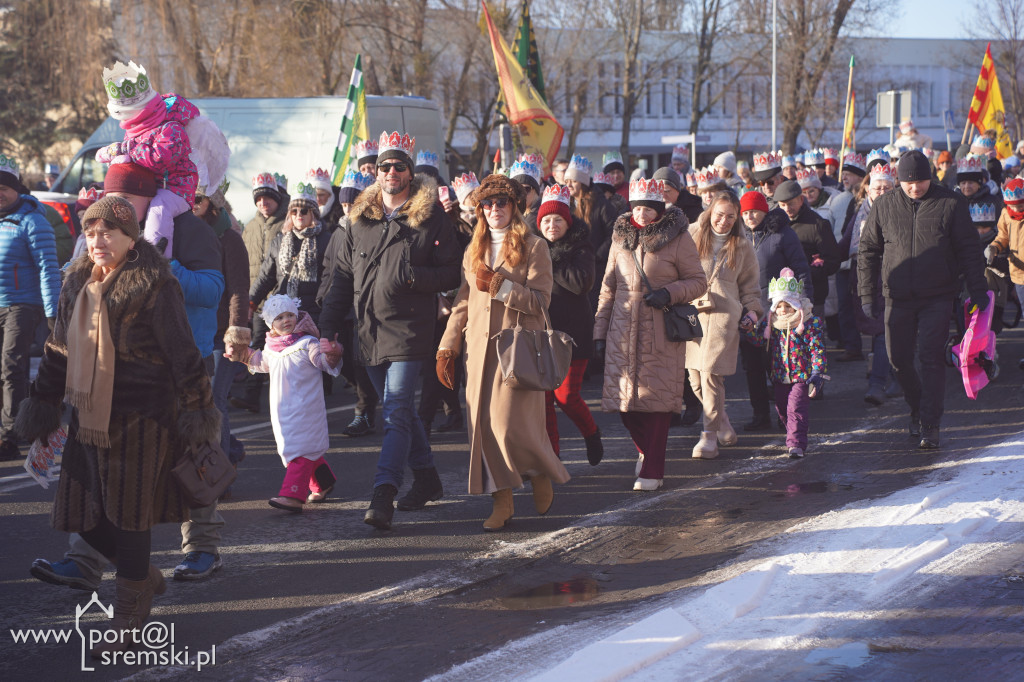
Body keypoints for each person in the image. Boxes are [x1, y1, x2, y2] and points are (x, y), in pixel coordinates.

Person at [16, 195, 219, 655]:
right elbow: (57, 352)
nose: (98, 240)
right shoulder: (74, 284)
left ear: (131, 238)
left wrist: (197, 413)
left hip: (142, 417)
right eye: (90, 232)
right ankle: (143, 574)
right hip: (87, 415)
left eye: (109, 231)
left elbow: (184, 355)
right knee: (80, 513)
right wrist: (44, 406)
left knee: (130, 516)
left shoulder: (155, 284)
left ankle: (130, 605)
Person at [319, 131, 462, 531]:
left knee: (397, 408)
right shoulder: (357, 221)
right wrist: (327, 328)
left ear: (410, 172)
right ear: (375, 172)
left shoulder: (431, 217)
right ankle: (429, 477)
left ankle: (384, 492)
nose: (392, 172)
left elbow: (452, 271)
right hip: (368, 329)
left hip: (409, 329)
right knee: (397, 408)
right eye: (385, 166)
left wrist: (413, 276)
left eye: (400, 166)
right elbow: (342, 281)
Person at [437, 174, 571, 530]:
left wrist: (500, 286)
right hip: (478, 351)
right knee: (483, 428)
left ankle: (539, 471)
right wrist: (447, 346)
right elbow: (463, 303)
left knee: (510, 425)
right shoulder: (473, 249)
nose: (495, 209)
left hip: (516, 350)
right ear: (480, 209)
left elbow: (541, 303)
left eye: (502, 202)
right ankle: (503, 500)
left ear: (515, 207)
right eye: (488, 203)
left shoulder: (535, 247)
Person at [858, 150, 988, 449]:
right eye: (908, 182)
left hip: (938, 296)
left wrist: (977, 290)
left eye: (921, 181)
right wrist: (867, 293)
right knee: (898, 360)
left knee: (931, 358)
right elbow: (868, 252)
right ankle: (917, 407)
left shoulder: (950, 203)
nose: (915, 187)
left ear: (931, 177)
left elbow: (968, 249)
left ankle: (930, 423)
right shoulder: (885, 205)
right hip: (898, 296)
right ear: (899, 181)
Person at [594, 178, 707, 491]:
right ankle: (645, 450)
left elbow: (698, 281)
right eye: (637, 208)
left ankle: (653, 470)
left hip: (659, 331)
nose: (641, 214)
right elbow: (608, 287)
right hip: (621, 330)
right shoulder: (620, 239)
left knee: (656, 404)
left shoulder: (679, 238)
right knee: (625, 406)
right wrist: (600, 333)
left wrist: (669, 293)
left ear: (659, 210)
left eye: (648, 208)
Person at [225, 294, 341, 510]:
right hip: (282, 410)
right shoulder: (271, 349)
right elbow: (259, 361)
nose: (286, 320)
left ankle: (292, 495)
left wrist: (332, 354)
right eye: (279, 318)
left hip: (307, 410)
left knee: (299, 450)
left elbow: (323, 362)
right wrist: (240, 354)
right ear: (271, 324)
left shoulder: (308, 343)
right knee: (298, 448)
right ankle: (323, 483)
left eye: (290, 315)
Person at [685, 191, 762, 459]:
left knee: (710, 374)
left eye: (730, 216)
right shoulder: (690, 235)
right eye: (719, 215)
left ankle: (708, 438)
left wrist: (753, 312)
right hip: (692, 314)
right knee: (694, 377)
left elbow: (751, 287)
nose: (724, 221)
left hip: (724, 317)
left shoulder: (743, 246)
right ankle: (722, 422)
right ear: (710, 212)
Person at [533, 184, 603, 465]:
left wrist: (549, 259)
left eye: (558, 220)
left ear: (568, 222)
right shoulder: (531, 246)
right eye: (546, 221)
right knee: (545, 400)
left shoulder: (580, 246)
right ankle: (553, 458)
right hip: (541, 333)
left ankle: (591, 432)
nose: (552, 226)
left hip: (574, 333)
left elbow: (580, 283)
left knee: (567, 396)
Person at [0, 155, 62, 461]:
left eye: (5, 187)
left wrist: (53, 314)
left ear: (17, 189)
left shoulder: (33, 219)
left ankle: (9, 435)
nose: (0, 192)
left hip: (22, 304)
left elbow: (49, 269)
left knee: (12, 367)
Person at [738, 188, 812, 431]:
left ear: (764, 211)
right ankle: (760, 414)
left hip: (779, 310)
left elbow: (800, 267)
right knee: (752, 365)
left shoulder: (782, 234)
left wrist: (803, 301)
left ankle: (785, 414)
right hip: (748, 309)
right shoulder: (737, 236)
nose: (750, 217)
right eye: (745, 213)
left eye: (754, 212)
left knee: (778, 363)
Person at [193, 180, 250, 476]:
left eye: (199, 197)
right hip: (195, 331)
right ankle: (233, 450)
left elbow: (239, 289)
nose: (193, 201)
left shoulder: (230, 238)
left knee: (215, 402)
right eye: (188, 195)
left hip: (221, 335)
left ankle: (220, 476)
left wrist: (236, 332)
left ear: (212, 203)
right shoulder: (185, 234)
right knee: (198, 403)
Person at [742, 268, 827, 458]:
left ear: (795, 306)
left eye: (787, 306)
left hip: (801, 376)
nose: (783, 310)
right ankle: (795, 430)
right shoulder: (772, 325)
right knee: (782, 408)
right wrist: (748, 330)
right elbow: (758, 340)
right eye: (779, 306)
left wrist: (817, 371)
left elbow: (817, 348)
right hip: (779, 375)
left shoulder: (807, 323)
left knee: (795, 407)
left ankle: (796, 443)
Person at [321, 170, 380, 436]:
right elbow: (329, 268)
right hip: (339, 305)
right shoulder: (338, 232)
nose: (346, 209)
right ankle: (368, 400)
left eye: (351, 203)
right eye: (343, 204)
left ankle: (365, 412)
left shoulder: (371, 230)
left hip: (362, 307)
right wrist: (324, 295)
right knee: (343, 363)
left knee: (360, 362)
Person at [235, 171, 290, 413]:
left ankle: (289, 396)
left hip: (280, 300)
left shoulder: (286, 223)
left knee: (286, 348)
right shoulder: (251, 226)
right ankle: (251, 395)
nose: (262, 204)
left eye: (267, 198)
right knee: (258, 345)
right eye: (258, 200)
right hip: (257, 300)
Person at [843, 163, 897, 405]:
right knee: (881, 330)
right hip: (865, 279)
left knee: (885, 329)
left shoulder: (902, 211)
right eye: (877, 188)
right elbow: (845, 244)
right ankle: (898, 378)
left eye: (887, 188)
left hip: (893, 277)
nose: (882, 192)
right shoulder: (860, 213)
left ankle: (877, 383)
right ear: (869, 190)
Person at [250, 181, 332, 320]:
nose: (299, 214)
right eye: (294, 211)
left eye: (304, 210)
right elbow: (266, 277)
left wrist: (324, 311)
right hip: (283, 314)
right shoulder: (279, 241)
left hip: (313, 314)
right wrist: (251, 302)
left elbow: (329, 280)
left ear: (313, 213)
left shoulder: (327, 240)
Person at [774, 180, 840, 320]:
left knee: (812, 338)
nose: (787, 209)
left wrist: (806, 273)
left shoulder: (818, 225)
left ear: (800, 200)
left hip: (812, 296)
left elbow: (833, 261)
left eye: (791, 203)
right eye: (783, 205)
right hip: (782, 299)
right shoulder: (775, 225)